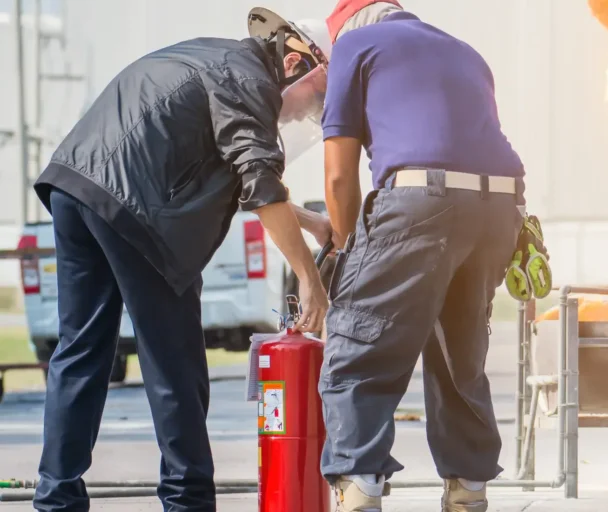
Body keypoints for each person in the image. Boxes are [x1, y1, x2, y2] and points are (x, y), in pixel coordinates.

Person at [31, 8, 334, 511]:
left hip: (74, 186)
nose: (307, 112)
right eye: (316, 97)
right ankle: (188, 501)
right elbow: (259, 179)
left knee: (80, 351)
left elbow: (235, 172)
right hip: (135, 206)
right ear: (295, 63)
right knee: (174, 362)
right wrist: (309, 277)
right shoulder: (252, 81)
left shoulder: (213, 55)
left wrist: (312, 223)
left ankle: (56, 498)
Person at [312, 1, 526, 511]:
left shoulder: (352, 45)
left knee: (358, 345)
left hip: (420, 199)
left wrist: (345, 249)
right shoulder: (465, 51)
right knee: (460, 352)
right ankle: (468, 489)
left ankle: (359, 489)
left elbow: (339, 176)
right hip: (502, 206)